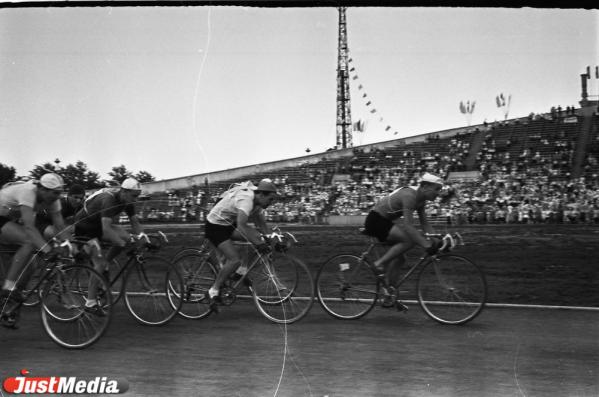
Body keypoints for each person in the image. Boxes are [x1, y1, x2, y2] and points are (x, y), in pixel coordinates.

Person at [362, 172, 447, 305]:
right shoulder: (409, 196)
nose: (438, 193)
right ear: (424, 186)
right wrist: (426, 245)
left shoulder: (421, 200)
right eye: (437, 189)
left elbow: (425, 224)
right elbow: (408, 226)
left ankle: (389, 294)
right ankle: (379, 263)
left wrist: (437, 241)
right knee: (409, 240)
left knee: (400, 257)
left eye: (440, 190)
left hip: (385, 220)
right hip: (376, 220)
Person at [72, 177, 144, 313]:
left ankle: (106, 263)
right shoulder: (109, 199)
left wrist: (143, 238)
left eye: (137, 196)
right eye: (134, 196)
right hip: (85, 227)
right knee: (100, 262)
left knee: (127, 239)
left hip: (98, 225)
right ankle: (90, 303)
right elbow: (106, 229)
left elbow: (135, 222)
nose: (136, 199)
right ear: (124, 191)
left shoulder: (127, 199)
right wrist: (122, 243)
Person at [204, 179, 279, 309]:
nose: (271, 203)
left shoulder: (258, 203)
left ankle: (241, 271)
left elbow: (262, 226)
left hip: (228, 223)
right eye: (270, 200)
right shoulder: (246, 200)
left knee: (257, 236)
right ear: (261, 195)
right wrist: (259, 243)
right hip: (215, 226)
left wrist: (271, 240)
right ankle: (213, 290)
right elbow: (242, 226)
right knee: (234, 260)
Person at [0, 173, 69, 304]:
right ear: (42, 189)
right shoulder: (28, 192)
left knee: (31, 266)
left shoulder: (53, 199)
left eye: (60, 193)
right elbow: (29, 228)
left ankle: (10, 304)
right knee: (29, 241)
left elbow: (60, 226)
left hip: (10, 220)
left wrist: (72, 246)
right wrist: (48, 250)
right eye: (55, 193)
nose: (58, 197)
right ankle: (8, 287)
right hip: (2, 219)